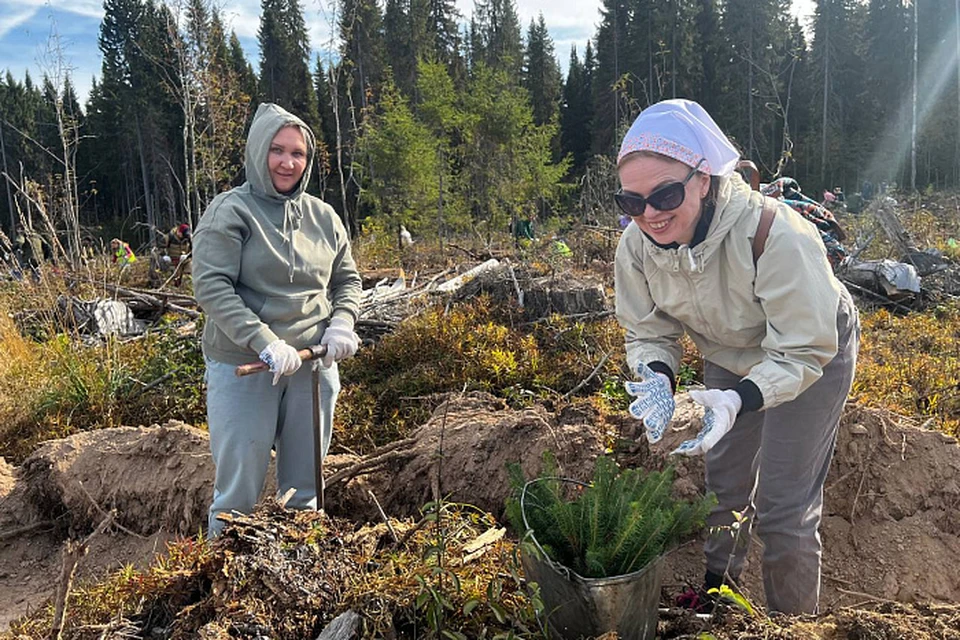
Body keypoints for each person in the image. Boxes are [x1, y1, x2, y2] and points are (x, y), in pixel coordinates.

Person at [613, 99, 859, 615]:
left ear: (704, 179)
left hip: (811, 348)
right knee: (724, 487)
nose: (650, 214)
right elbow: (648, 329)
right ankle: (717, 595)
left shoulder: (776, 234)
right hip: (729, 348)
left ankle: (790, 623)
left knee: (783, 507)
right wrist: (656, 374)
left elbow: (803, 347)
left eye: (665, 194)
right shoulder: (636, 246)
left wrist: (739, 399)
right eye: (632, 202)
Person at [192, 103, 362, 538]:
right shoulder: (230, 212)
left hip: (312, 368)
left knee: (305, 491)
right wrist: (263, 341)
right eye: (277, 150)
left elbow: (347, 279)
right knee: (237, 497)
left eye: (298, 153)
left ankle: (299, 578)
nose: (288, 162)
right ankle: (221, 583)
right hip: (245, 365)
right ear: (257, 152)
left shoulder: (324, 217)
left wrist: (342, 321)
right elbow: (212, 288)